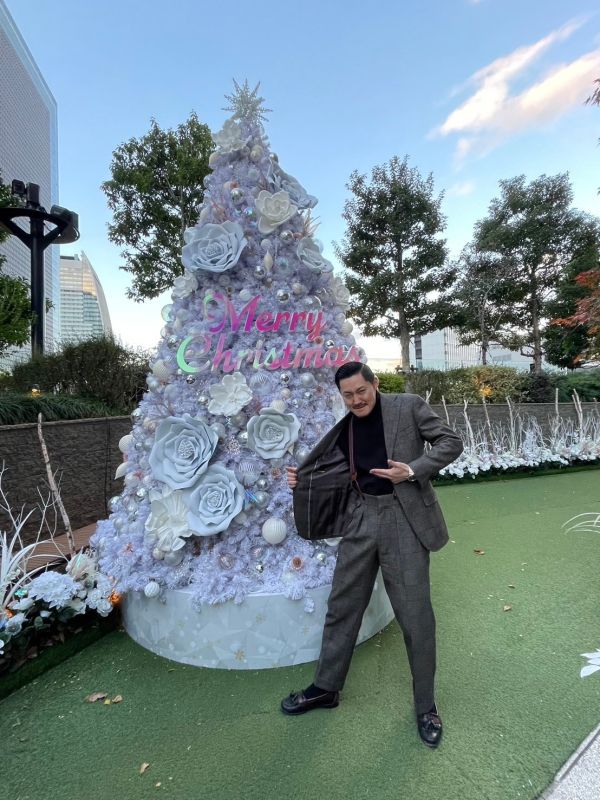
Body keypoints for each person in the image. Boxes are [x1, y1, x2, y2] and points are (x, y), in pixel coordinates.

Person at [280, 362, 463, 747]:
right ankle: (326, 688)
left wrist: (411, 470)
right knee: (342, 606)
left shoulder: (408, 406)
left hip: (404, 519)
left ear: (374, 383)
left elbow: (451, 442)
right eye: (348, 395)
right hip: (361, 518)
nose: (356, 400)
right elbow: (331, 472)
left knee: (415, 616)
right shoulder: (345, 427)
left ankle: (426, 706)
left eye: (361, 391)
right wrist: (301, 479)